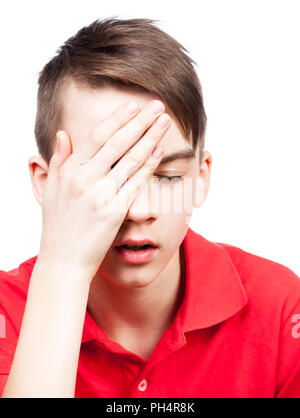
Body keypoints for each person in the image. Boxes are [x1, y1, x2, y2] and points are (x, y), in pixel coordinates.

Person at [1, 17, 299, 398]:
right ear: (46, 183)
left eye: (169, 178)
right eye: (108, 175)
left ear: (201, 176)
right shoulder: (7, 311)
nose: (139, 210)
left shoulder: (279, 308)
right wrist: (63, 269)